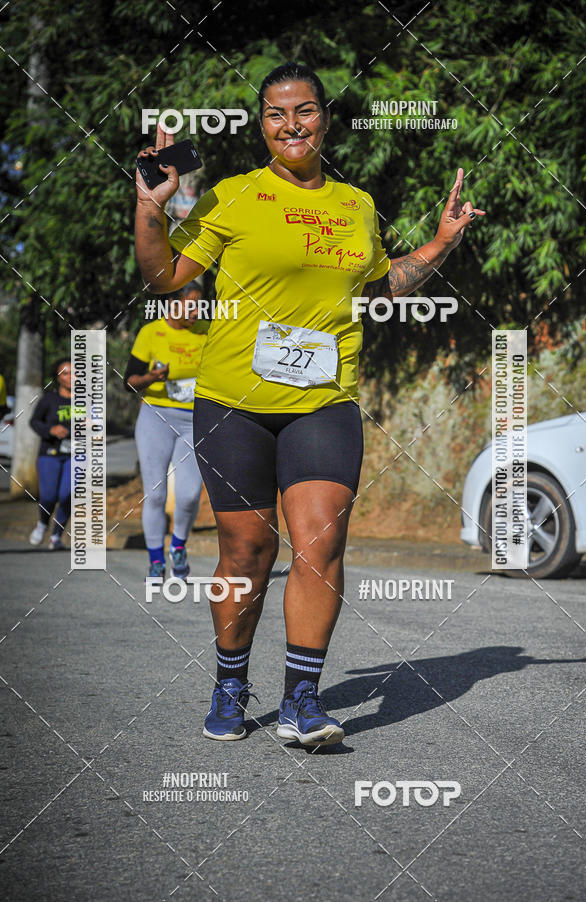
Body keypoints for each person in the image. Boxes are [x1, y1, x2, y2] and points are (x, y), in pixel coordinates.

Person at [134, 62, 485, 746]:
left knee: (321, 540)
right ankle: (230, 682)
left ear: (325, 117)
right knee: (247, 549)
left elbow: (379, 286)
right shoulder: (232, 197)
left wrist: (442, 242)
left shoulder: (356, 204)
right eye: (276, 113)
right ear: (262, 124)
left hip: (325, 400)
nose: (291, 124)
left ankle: (302, 700)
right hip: (233, 402)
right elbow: (164, 276)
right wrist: (151, 208)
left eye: (304, 110)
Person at [124, 284, 209, 583]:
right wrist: (151, 377)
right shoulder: (151, 332)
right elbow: (130, 381)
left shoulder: (207, 331)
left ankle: (178, 545)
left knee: (189, 495)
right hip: (156, 416)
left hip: (194, 420)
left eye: (200, 305)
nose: (197, 312)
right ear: (173, 304)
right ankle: (156, 560)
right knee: (156, 493)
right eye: (191, 305)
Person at [29, 358, 72, 550]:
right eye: (65, 373)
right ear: (57, 377)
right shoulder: (49, 399)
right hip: (50, 452)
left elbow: (98, 424)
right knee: (48, 496)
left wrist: (93, 427)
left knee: (68, 494)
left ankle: (56, 536)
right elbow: (34, 421)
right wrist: (51, 430)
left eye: (75, 373)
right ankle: (42, 523)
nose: (71, 377)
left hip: (77, 454)